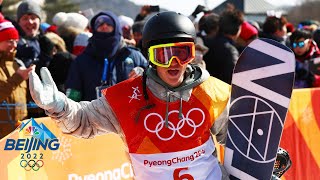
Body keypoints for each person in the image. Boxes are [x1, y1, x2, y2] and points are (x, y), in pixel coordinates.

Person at [29, 11, 231, 179]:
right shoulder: (127, 98)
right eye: (164, 56)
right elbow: (84, 120)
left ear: (193, 54)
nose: (174, 63)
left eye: (182, 53)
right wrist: (59, 106)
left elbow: (236, 140)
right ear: (150, 57)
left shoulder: (210, 91)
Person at [65, 11, 148, 101]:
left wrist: (142, 72)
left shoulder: (133, 55)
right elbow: (73, 94)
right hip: (92, 113)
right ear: (93, 29)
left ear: (116, 27)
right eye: (99, 24)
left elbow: (153, 73)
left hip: (128, 113)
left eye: (109, 23)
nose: (104, 26)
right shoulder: (82, 60)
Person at [0, 13, 34, 138]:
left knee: (50, 143)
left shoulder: (17, 64)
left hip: (21, 131)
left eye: (16, 41)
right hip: (2, 136)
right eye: (9, 41)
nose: (14, 46)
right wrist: (18, 78)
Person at [203, 10, 244, 84]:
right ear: (238, 29)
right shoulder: (231, 51)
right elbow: (232, 80)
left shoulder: (206, 43)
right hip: (221, 92)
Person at [15, 0, 54, 75]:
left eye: (33, 18)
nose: (30, 22)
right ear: (18, 22)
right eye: (25, 18)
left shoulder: (46, 41)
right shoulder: (12, 42)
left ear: (39, 21)